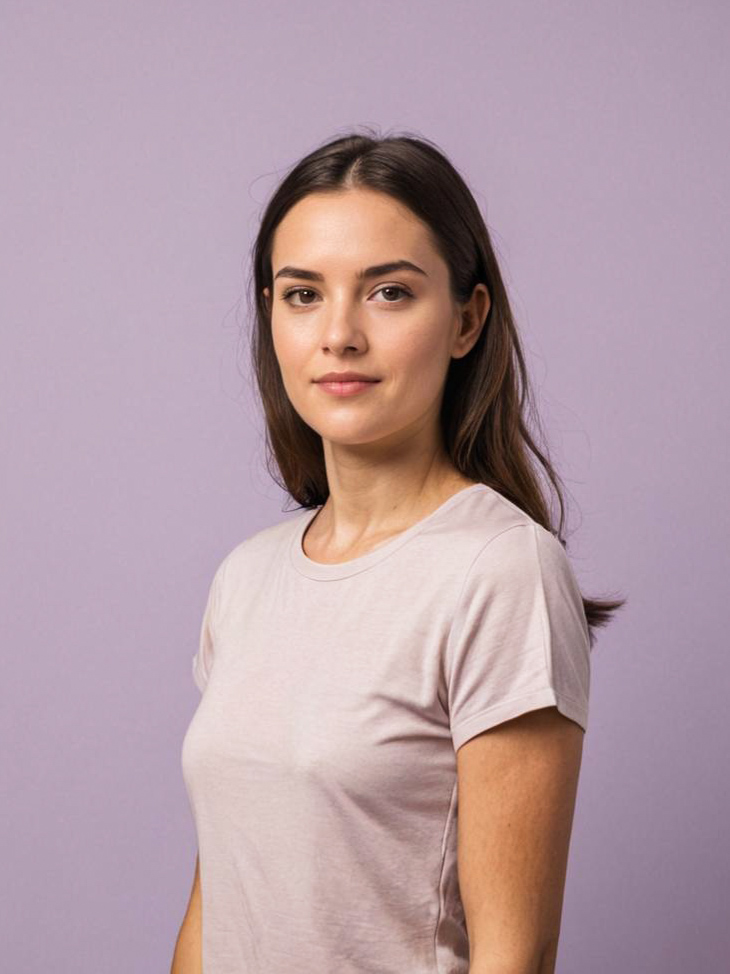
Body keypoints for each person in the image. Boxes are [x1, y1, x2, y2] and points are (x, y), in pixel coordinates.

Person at [171, 128, 626, 974]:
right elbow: (218, 907)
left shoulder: (499, 571)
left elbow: (512, 956)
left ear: (467, 320)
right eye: (302, 294)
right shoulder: (247, 577)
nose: (338, 334)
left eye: (387, 292)